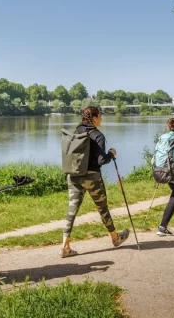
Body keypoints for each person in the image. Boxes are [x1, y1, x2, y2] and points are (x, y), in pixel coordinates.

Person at [61, 106, 129, 257]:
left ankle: (65, 247)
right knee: (102, 208)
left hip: (73, 175)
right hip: (91, 177)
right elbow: (101, 160)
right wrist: (111, 154)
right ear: (93, 118)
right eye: (100, 116)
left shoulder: (75, 132)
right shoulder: (97, 135)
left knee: (72, 210)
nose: (101, 119)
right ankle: (115, 238)